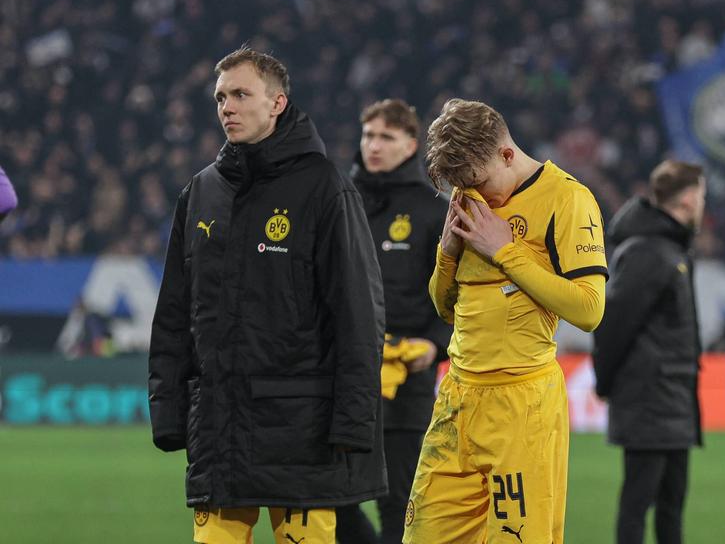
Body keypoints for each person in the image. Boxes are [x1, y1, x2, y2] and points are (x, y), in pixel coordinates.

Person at [148, 47, 386, 544]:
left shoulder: (324, 187)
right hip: (218, 432)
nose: (226, 108)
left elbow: (357, 314)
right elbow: (174, 313)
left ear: (277, 103)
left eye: (240, 94)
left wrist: (354, 422)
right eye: (220, 98)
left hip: (303, 435)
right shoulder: (200, 192)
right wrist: (170, 411)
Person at [403, 98, 608, 543]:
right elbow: (443, 307)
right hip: (457, 397)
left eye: (478, 181)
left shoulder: (568, 199)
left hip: (523, 403)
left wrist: (506, 252)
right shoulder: (467, 195)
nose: (475, 195)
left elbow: (590, 310)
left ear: (508, 155)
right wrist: (448, 254)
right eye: (459, 186)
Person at [335, 99, 452, 544]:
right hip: (343, 373)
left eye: (386, 137)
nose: (374, 146)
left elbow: (457, 294)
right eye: (368, 136)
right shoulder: (337, 201)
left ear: (410, 144)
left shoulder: (431, 210)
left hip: (406, 374)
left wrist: (435, 343)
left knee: (398, 500)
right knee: (330, 494)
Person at [592, 160, 706, 544]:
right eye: (702, 196)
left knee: (670, 510)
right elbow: (613, 326)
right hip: (649, 402)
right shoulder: (647, 252)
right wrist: (606, 383)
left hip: (672, 402)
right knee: (638, 507)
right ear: (689, 199)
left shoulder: (669, 250)